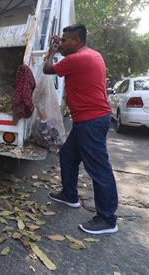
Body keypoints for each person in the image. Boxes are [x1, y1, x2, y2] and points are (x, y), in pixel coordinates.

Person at [42, 24, 118, 234]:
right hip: (90, 119)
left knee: (99, 169)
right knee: (67, 154)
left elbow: (46, 69)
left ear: (76, 41)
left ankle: (107, 219)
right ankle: (70, 195)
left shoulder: (77, 59)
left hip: (91, 120)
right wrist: (60, 47)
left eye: (65, 41)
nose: (62, 44)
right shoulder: (91, 54)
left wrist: (52, 50)